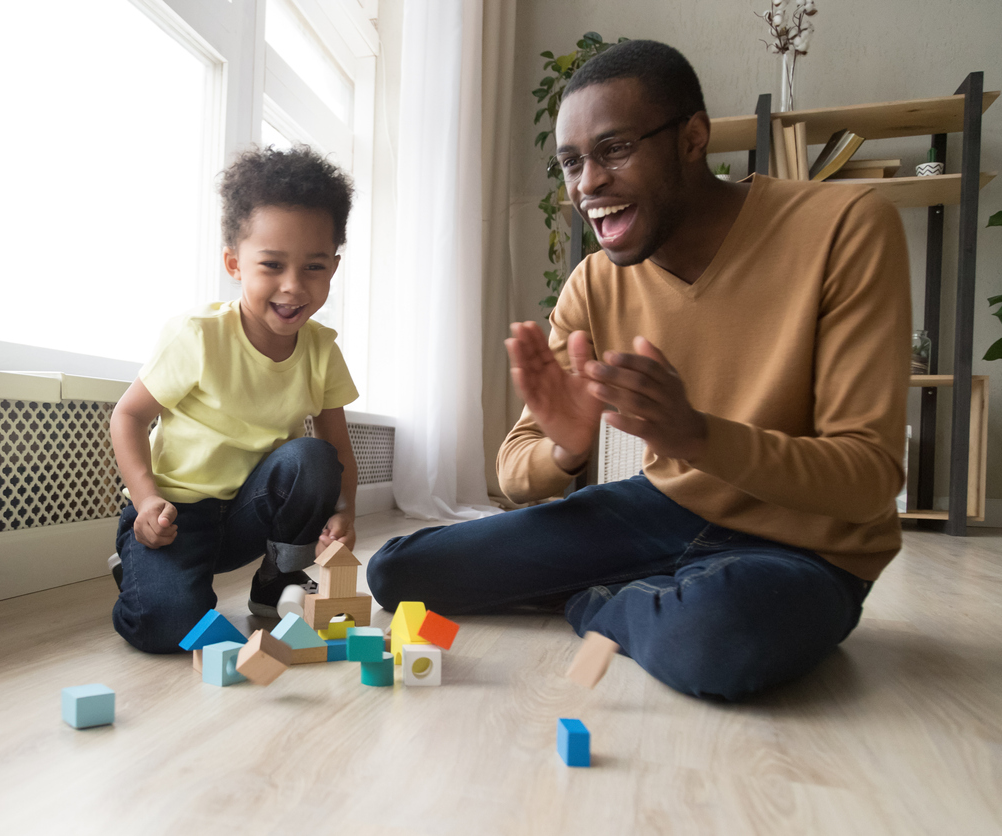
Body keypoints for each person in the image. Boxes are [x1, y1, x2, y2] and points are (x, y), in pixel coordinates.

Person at [366, 40, 911, 701]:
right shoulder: (595, 283)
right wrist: (567, 448)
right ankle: (654, 593)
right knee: (400, 573)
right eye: (572, 163)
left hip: (806, 548)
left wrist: (699, 437)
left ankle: (602, 605)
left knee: (718, 636)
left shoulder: (847, 227)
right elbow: (516, 468)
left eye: (614, 149)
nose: (587, 183)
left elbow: (867, 482)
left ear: (692, 138)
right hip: (660, 510)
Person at [108, 146, 361, 654]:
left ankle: (277, 582)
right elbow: (128, 416)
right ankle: (138, 568)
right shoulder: (197, 336)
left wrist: (346, 512)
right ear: (234, 264)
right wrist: (145, 500)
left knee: (313, 458)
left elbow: (337, 446)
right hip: (175, 516)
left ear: (334, 267)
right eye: (271, 265)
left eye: (314, 266)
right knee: (168, 628)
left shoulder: (321, 350)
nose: (293, 286)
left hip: (251, 514)